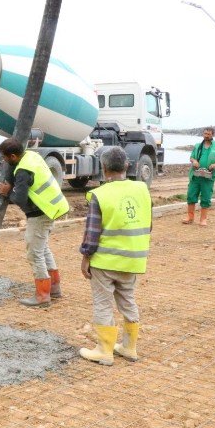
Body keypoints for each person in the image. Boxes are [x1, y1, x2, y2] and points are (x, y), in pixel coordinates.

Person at [78, 146, 151, 366]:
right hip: (133, 259)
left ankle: (104, 350)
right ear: (128, 166)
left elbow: (92, 233)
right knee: (128, 300)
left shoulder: (99, 194)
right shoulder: (142, 189)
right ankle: (129, 347)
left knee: (102, 303)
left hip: (105, 261)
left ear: (103, 168)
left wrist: (85, 257)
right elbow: (148, 224)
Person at [0, 138, 69, 307]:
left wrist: (7, 192)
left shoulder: (22, 171)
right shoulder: (31, 157)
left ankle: (42, 296)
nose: (4, 161)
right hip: (52, 208)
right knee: (43, 249)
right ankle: (54, 289)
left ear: (13, 156)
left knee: (34, 253)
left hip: (40, 213)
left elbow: (19, 198)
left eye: (5, 157)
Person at [184, 127, 215, 226]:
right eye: (205, 134)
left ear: (212, 135)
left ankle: (203, 219)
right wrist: (194, 161)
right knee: (191, 195)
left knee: (206, 197)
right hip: (195, 175)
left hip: (208, 177)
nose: (206, 136)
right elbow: (191, 157)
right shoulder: (197, 146)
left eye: (208, 134)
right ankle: (190, 217)